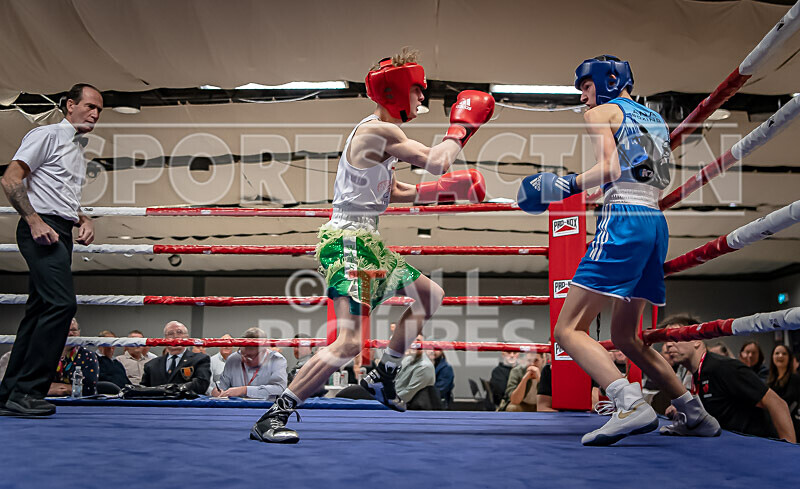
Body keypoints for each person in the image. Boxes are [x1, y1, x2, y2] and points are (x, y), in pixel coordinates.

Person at [250, 48, 494, 443]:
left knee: (429, 296)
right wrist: (462, 125)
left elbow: (395, 192)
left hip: (368, 241)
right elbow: (436, 161)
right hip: (349, 241)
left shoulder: (382, 136)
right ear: (396, 91)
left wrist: (447, 191)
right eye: (417, 90)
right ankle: (273, 417)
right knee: (349, 343)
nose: (422, 97)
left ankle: (384, 373)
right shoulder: (379, 131)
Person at [517, 56, 719, 446]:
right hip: (655, 222)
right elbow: (652, 176)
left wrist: (564, 184)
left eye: (586, 86)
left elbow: (609, 169)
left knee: (567, 330)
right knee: (626, 336)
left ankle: (629, 403)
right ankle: (694, 413)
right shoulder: (655, 118)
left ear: (607, 80)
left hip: (624, 220)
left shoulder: (600, 114)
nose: (583, 97)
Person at [0, 84, 102, 416]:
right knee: (62, 304)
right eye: (89, 106)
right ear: (70, 105)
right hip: (41, 230)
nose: (95, 114)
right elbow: (10, 178)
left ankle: (9, 393)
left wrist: (82, 217)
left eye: (99, 110)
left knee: (39, 310)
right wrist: (33, 220)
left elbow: (60, 197)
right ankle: (28, 390)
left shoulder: (76, 149)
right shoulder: (47, 135)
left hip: (59, 230)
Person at [666, 335, 795, 443]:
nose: (669, 345)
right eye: (667, 340)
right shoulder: (698, 374)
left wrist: (790, 452)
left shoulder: (723, 367)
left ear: (696, 341)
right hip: (730, 447)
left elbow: (777, 403)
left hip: (756, 447)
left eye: (675, 338)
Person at [211, 328, 287, 400]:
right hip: (236, 407)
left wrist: (245, 390)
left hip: (266, 407)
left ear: (263, 351)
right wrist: (217, 391)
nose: (244, 359)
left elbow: (279, 389)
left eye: (250, 356)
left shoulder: (276, 360)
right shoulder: (233, 359)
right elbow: (222, 387)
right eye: (242, 354)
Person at [141, 321, 211, 395]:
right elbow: (144, 390)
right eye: (170, 333)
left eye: (179, 332)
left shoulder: (200, 359)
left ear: (187, 337)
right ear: (164, 339)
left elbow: (201, 384)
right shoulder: (151, 365)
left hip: (186, 401)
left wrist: (174, 389)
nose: (175, 336)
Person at [48, 318, 99, 397]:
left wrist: (59, 388)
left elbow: (88, 389)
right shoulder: (47, 355)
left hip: (79, 402)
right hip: (48, 400)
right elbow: (37, 385)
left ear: (79, 333)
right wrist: (70, 387)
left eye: (74, 330)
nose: (70, 333)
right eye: (66, 330)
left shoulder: (88, 356)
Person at [767, 344, 800, 440]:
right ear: (772, 357)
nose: (780, 356)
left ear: (789, 358)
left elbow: (789, 402)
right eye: (777, 353)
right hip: (773, 426)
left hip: (792, 426)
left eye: (784, 354)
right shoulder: (770, 380)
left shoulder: (795, 379)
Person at [395, 335, 437, 409]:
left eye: (417, 341)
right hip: (400, 402)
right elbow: (397, 382)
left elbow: (409, 392)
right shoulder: (407, 359)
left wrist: (389, 401)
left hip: (412, 408)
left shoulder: (424, 366)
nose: (414, 344)